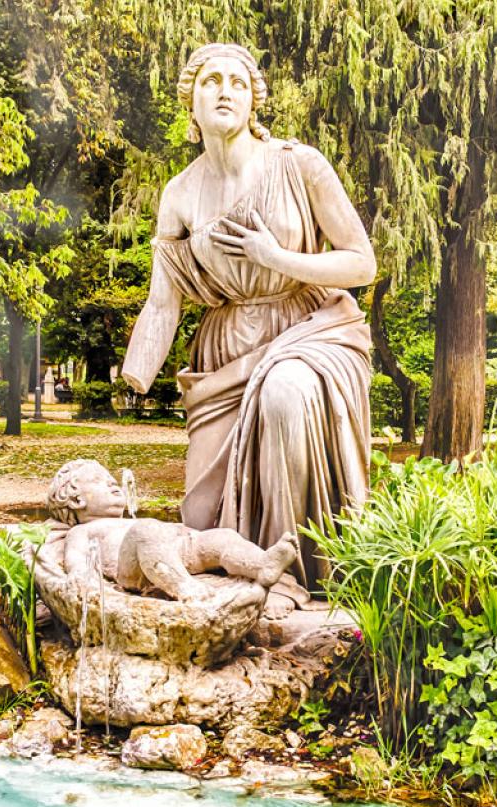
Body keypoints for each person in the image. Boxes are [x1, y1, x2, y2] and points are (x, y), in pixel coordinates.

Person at [120, 43, 377, 615]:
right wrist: (133, 375)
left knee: (285, 393)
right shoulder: (180, 192)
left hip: (309, 326)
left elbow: (362, 263)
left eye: (237, 82)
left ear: (253, 100)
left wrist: (275, 256)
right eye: (210, 81)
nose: (225, 91)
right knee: (200, 509)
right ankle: (233, 577)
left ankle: (291, 577)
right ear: (191, 100)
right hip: (226, 344)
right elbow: (164, 302)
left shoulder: (298, 163)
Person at [47, 459, 299, 605]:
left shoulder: (130, 521)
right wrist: (81, 579)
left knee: (221, 537)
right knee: (146, 530)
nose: (113, 484)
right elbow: (76, 562)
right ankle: (185, 587)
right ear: (77, 500)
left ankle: (262, 564)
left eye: (112, 480)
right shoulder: (83, 531)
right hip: (133, 571)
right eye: (101, 481)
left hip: (175, 551)